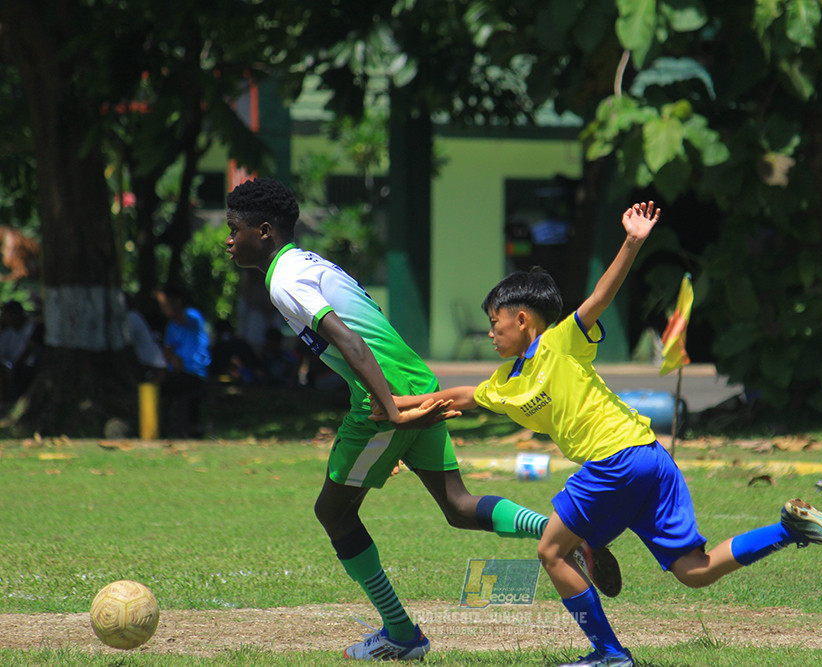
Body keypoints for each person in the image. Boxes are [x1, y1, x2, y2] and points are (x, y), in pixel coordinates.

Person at [384, 201, 822, 667]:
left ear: (522, 319)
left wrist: (632, 241)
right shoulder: (506, 382)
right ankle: (788, 529)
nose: (491, 333)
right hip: (650, 458)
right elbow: (456, 398)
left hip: (617, 460)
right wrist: (388, 402)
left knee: (551, 551)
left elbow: (598, 299)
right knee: (695, 571)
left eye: (495, 323)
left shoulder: (558, 344)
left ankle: (609, 654)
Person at [223, 177, 619, 661]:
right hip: (415, 380)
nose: (227, 239)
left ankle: (401, 633)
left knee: (332, 511)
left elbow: (352, 343)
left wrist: (390, 412)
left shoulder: (285, 278)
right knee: (457, 505)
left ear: (263, 231)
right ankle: (560, 531)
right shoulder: (310, 263)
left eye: (233, 229)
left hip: (385, 397)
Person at [156, 286, 212, 437]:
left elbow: (178, 316)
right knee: (157, 385)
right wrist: (173, 358)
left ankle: (188, 429)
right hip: (177, 371)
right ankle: (163, 429)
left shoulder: (193, 316)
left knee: (184, 390)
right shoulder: (172, 325)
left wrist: (164, 302)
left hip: (194, 372)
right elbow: (167, 348)